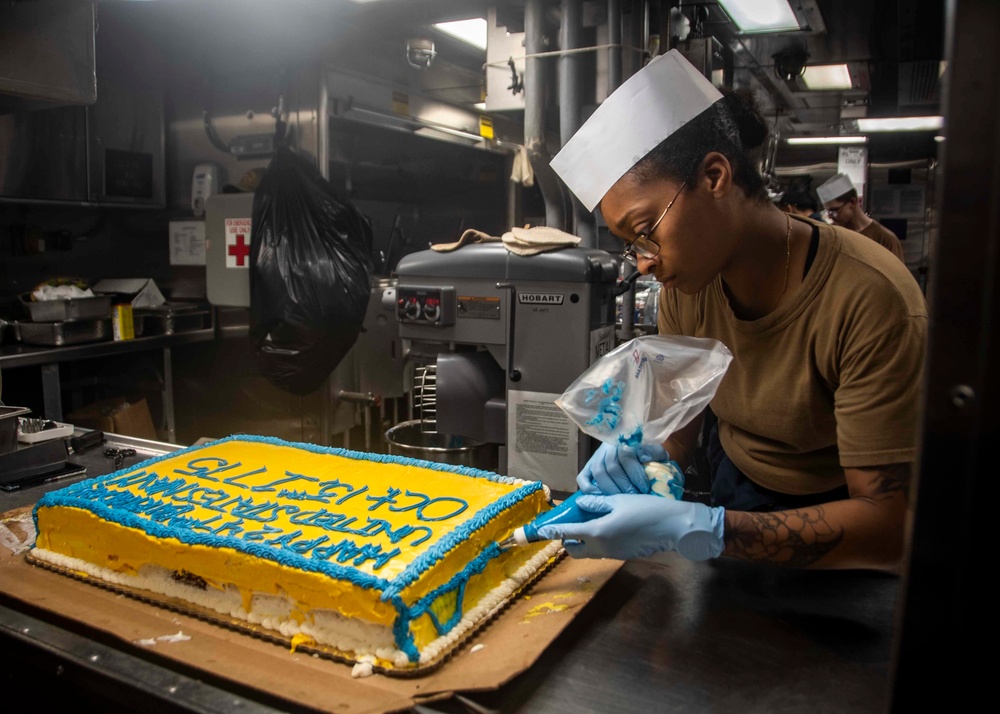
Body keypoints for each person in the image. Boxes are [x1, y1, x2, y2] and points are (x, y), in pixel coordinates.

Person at [545, 50, 926, 571]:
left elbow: (889, 527)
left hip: (844, 531)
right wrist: (647, 466)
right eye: (632, 246)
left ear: (715, 177)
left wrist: (707, 529)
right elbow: (681, 428)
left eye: (645, 231)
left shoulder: (868, 297)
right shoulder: (687, 289)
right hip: (737, 490)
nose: (646, 263)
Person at [816, 173, 905, 263]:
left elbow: (897, 276)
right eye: (827, 212)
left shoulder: (885, 239)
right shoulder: (832, 235)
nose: (830, 216)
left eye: (834, 210)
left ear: (852, 202)